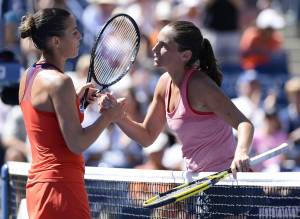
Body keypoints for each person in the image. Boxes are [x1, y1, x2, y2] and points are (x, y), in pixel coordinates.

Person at [100, 21, 254, 175]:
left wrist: (241, 152)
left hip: (229, 181)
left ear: (185, 55)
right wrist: (118, 116)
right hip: (199, 182)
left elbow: (244, 123)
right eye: (156, 43)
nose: (155, 48)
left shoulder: (200, 85)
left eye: (163, 45)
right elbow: (146, 136)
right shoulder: (163, 83)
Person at [18, 8, 125, 219]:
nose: (80, 36)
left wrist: (76, 100)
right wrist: (108, 118)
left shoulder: (28, 76)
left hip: (39, 188)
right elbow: (77, 143)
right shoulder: (60, 82)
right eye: (74, 32)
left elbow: (46, 122)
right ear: (56, 41)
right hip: (62, 189)